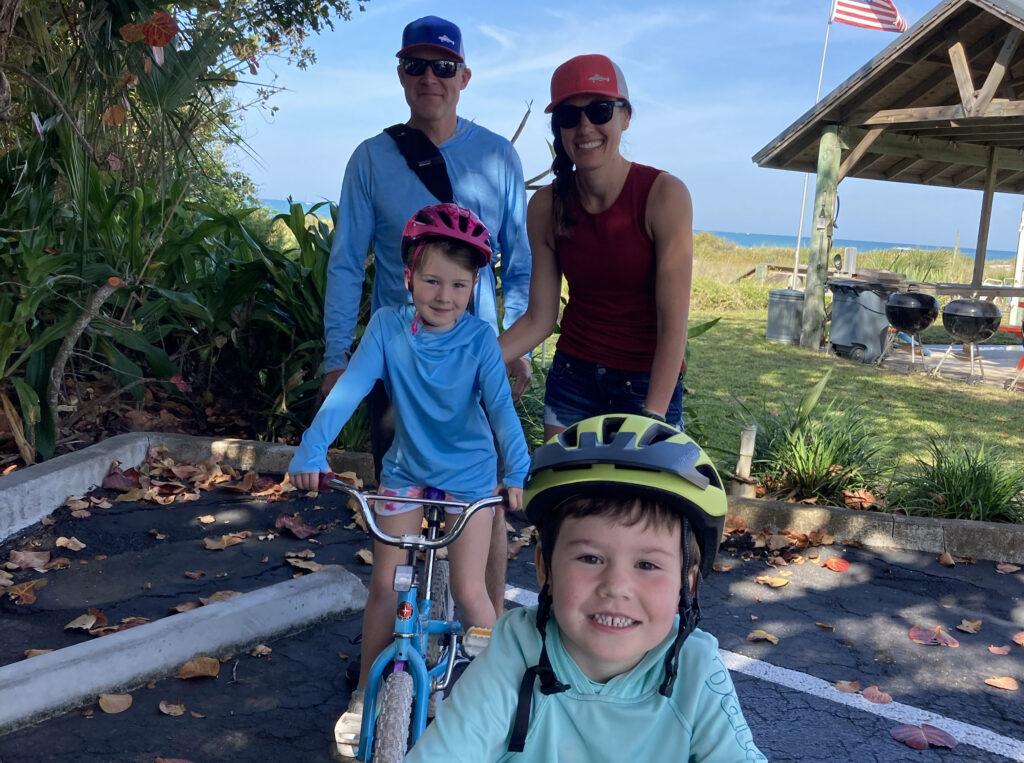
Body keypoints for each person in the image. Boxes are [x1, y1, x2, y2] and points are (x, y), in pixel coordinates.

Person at [290, 204, 531, 759]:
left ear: (474, 287)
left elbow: (500, 410)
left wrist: (515, 472)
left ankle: (499, 702)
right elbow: (350, 388)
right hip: (405, 473)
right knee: (384, 585)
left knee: (472, 594)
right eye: (431, 281)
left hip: (469, 478)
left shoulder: (478, 340)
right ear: (407, 278)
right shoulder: (387, 327)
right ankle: (363, 695)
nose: (443, 295)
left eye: (458, 284)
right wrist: (311, 446)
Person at [325, 13, 531, 630]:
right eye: (416, 65)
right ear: (401, 74)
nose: (430, 78)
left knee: (483, 507)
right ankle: (389, 660)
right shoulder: (371, 159)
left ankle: (484, 650)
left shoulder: (497, 156)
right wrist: (337, 358)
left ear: (464, 76)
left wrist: (511, 346)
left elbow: (517, 265)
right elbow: (345, 264)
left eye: (443, 67)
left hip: (476, 362)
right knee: (395, 506)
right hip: (401, 366)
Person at [406, 414, 766, 762]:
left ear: (686, 586)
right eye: (591, 559)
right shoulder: (516, 651)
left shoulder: (694, 669)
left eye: (647, 565)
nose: (616, 587)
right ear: (545, 567)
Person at [499, 54, 692, 438]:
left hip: (646, 385)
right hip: (574, 378)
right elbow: (540, 318)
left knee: (635, 499)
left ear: (625, 116)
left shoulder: (664, 195)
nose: (585, 126)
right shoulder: (546, 206)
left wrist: (652, 419)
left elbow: (674, 328)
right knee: (566, 496)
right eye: (569, 116)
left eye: (600, 110)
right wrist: (465, 365)